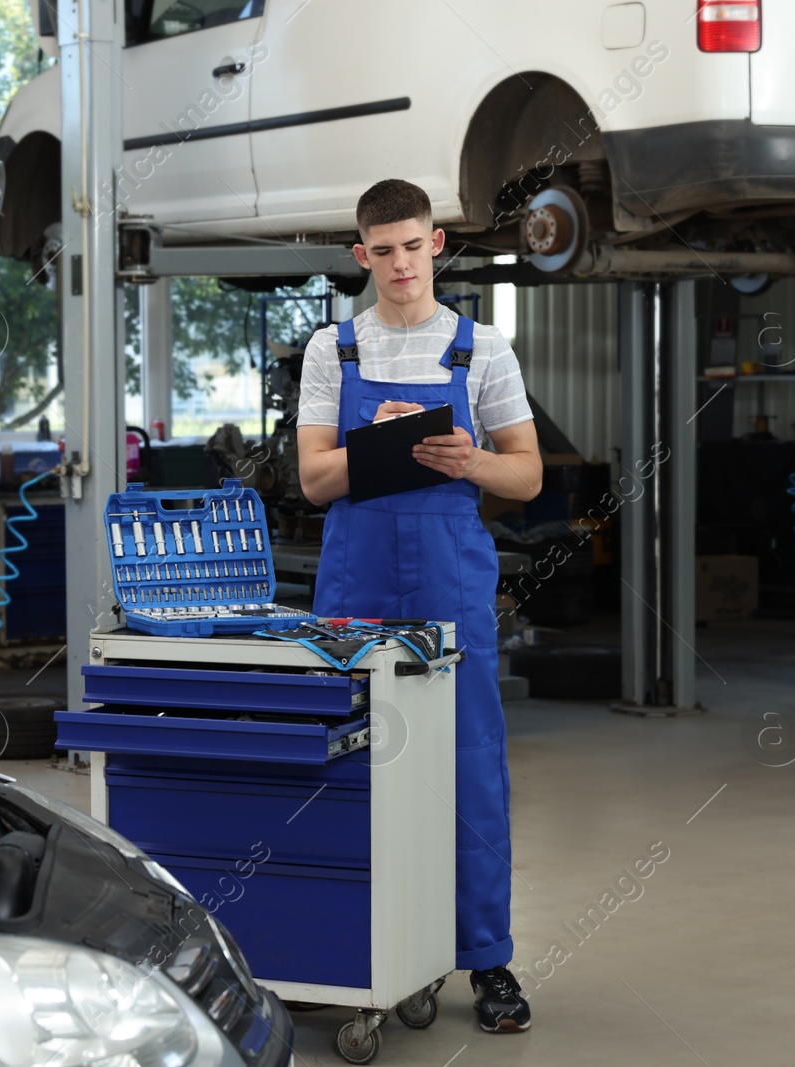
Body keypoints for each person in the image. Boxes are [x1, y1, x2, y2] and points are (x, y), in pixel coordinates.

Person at [297, 178, 543, 1033]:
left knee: (469, 767)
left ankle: (487, 960)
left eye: (414, 246)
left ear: (436, 245)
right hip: (356, 591)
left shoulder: (485, 350)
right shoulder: (334, 350)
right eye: (383, 250)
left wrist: (465, 458)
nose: (400, 264)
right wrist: (383, 443)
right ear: (361, 256)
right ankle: (364, 950)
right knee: (352, 763)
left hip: (450, 585)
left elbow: (529, 474)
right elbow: (314, 477)